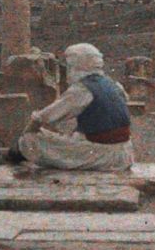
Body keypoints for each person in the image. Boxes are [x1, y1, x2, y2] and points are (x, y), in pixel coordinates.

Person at [13, 43, 133, 173]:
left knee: (31, 139)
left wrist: (27, 135)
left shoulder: (83, 89)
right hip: (124, 154)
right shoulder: (112, 84)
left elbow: (45, 116)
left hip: (102, 156)